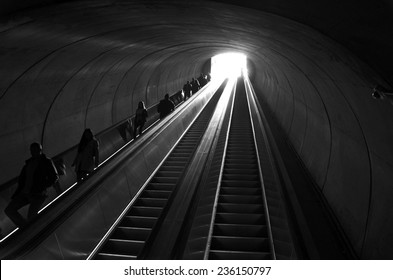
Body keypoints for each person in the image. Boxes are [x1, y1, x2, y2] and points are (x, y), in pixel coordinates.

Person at [4, 143, 59, 228]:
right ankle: (26, 228)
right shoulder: (29, 163)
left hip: (38, 194)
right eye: (32, 150)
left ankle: (29, 230)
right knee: (9, 210)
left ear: (40, 150)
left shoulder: (46, 161)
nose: (33, 152)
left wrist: (42, 187)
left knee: (31, 217)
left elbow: (55, 176)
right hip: (25, 192)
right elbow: (23, 178)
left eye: (35, 150)